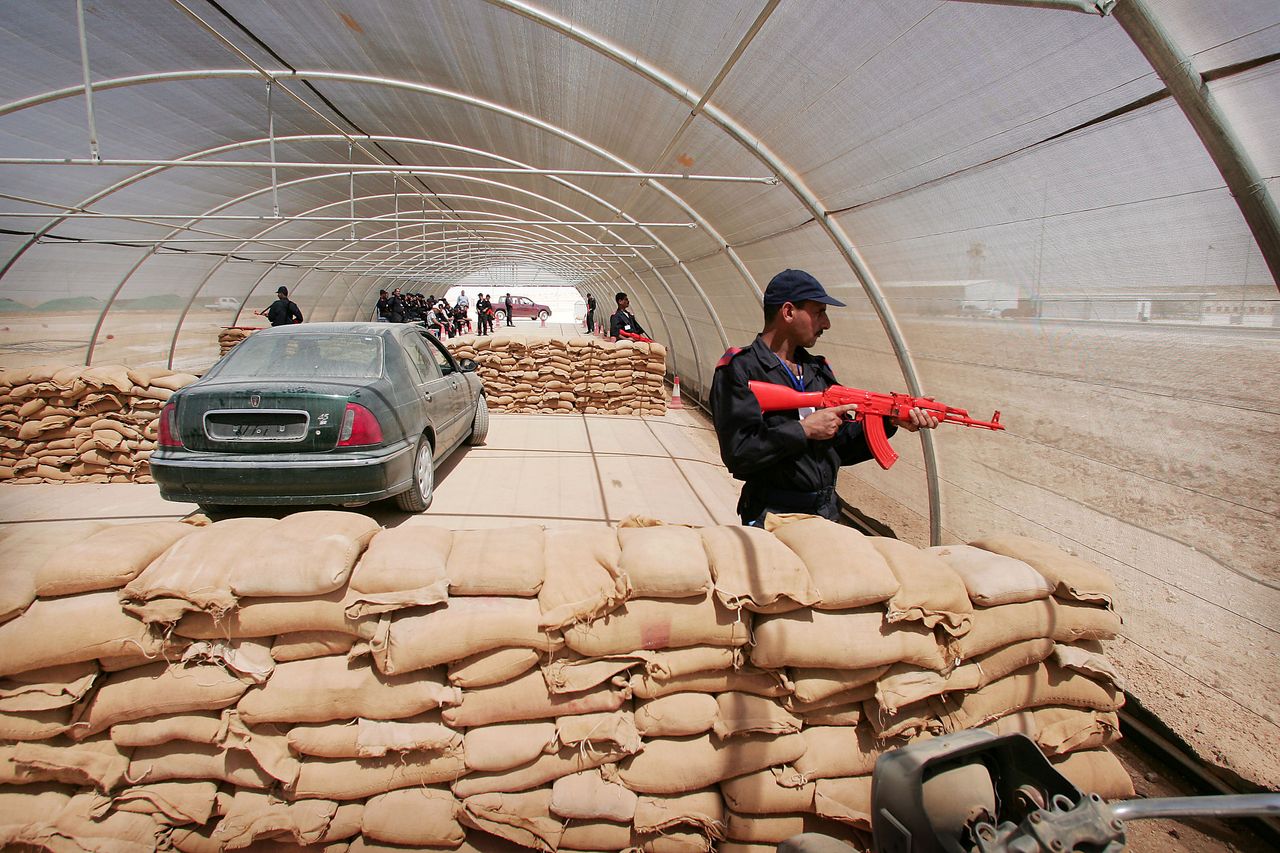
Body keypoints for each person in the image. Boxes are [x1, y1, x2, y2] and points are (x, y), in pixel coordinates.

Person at [709, 269, 939, 527]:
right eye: (819, 312)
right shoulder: (741, 369)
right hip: (771, 515)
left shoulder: (817, 370)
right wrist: (803, 430)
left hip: (825, 512)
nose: (826, 323)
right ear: (788, 312)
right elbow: (738, 454)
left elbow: (842, 446)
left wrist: (889, 421)